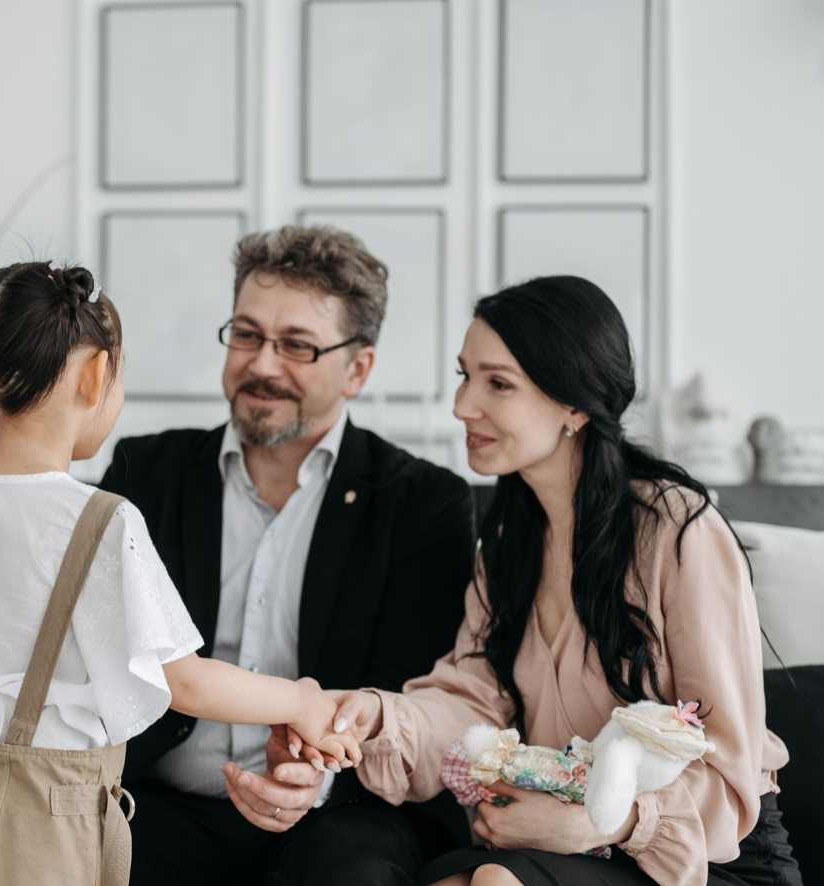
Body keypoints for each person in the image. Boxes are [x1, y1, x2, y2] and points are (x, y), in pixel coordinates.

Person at [0, 261, 365, 886]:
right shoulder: (100, 519)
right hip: (42, 816)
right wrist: (300, 698)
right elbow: (179, 679)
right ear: (96, 376)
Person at [316, 276, 801, 886]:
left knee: (494, 882)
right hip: (570, 843)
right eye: (465, 375)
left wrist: (606, 822)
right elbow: (473, 702)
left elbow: (727, 764)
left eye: (498, 384)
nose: (463, 406)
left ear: (573, 404)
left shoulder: (677, 530)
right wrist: (375, 716)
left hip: (708, 852)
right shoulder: (506, 542)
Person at [97, 226, 478, 885]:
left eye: (296, 345)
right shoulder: (146, 471)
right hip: (158, 800)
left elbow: (407, 693)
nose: (262, 365)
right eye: (247, 335)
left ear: (357, 369)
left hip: (342, 810)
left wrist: (316, 781)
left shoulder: (423, 503)